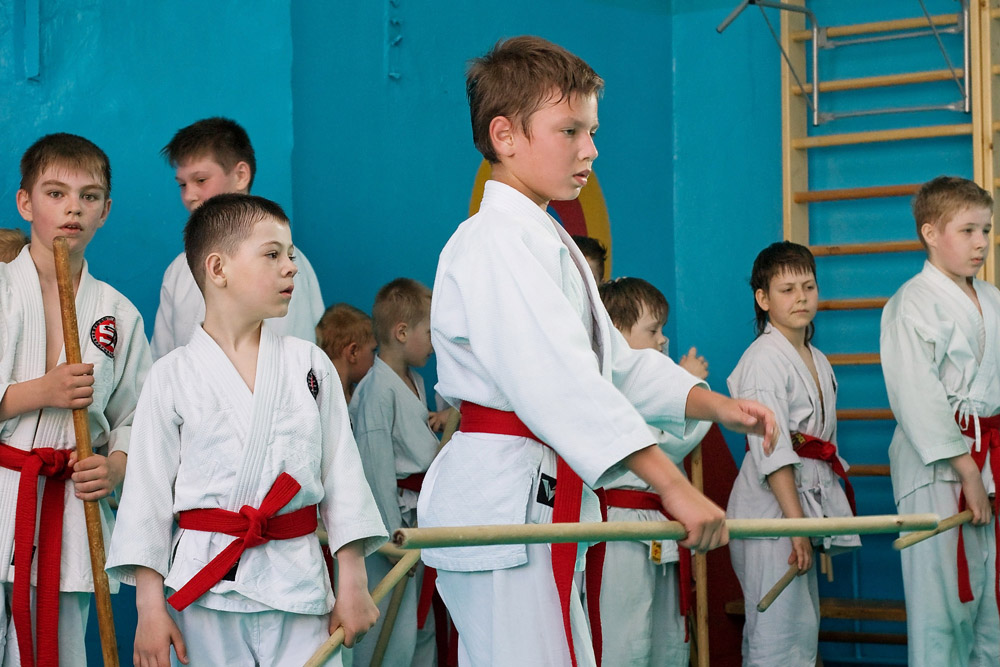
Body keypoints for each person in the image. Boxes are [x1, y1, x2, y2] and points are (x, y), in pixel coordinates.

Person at [418, 35, 776, 667]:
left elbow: (610, 364)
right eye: (570, 131)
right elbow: (560, 384)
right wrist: (672, 484)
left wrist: (712, 404)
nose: (590, 149)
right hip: (504, 502)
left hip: (530, 500)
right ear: (505, 135)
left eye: (592, 131)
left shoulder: (543, 237)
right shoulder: (495, 241)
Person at [106, 194, 387, 666]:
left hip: (298, 585)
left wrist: (353, 582)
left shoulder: (309, 363)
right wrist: (149, 610)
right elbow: (146, 499)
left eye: (290, 254)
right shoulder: (171, 375)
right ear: (218, 269)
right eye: (272, 254)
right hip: (205, 591)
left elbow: (343, 477)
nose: (291, 267)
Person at [0, 133, 151, 666]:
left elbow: (137, 417)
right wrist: (38, 392)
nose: (73, 208)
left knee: (59, 652)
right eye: (56, 193)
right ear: (25, 203)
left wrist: (115, 466)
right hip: (3, 493)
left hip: (69, 513)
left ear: (105, 211)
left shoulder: (119, 314)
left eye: (89, 196)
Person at [881, 176, 1000, 667]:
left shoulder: (993, 298)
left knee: (991, 611)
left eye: (986, 230)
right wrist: (967, 471)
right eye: (967, 230)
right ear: (930, 233)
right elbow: (918, 399)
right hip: (938, 469)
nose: (981, 243)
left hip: (989, 459)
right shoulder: (909, 304)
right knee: (942, 613)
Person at [727, 241, 860, 667]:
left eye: (808, 286)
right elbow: (774, 452)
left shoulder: (816, 357)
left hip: (798, 506)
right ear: (763, 299)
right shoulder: (763, 360)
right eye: (787, 290)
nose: (801, 297)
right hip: (772, 514)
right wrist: (796, 526)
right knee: (775, 639)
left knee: (799, 635)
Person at [597, 276, 711, 666]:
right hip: (619, 528)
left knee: (666, 641)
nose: (663, 340)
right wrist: (689, 384)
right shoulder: (602, 388)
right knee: (625, 639)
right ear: (616, 331)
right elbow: (665, 442)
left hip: (657, 522)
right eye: (653, 330)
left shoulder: (652, 388)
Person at [150, 117, 324, 360]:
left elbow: (296, 361)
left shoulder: (284, 263)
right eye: (182, 184)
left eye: (201, 180)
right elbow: (162, 360)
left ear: (241, 175)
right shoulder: (179, 270)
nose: (189, 195)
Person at [349, 278, 441, 667]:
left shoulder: (416, 382)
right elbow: (376, 474)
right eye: (430, 332)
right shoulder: (376, 391)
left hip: (420, 523)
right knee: (391, 635)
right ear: (402, 333)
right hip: (392, 530)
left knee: (422, 628)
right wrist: (391, 541)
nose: (435, 342)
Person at [316, 303, 377, 403]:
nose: (377, 358)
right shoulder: (323, 401)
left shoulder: (353, 395)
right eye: (373, 350)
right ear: (353, 352)